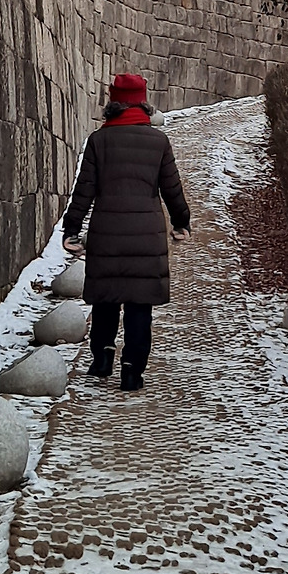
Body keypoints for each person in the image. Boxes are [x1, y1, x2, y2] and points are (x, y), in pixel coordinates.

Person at [60, 71, 190, 392]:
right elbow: (172, 189)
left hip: (107, 232)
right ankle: (132, 371)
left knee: (106, 296)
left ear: (112, 103)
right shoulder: (158, 142)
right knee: (139, 304)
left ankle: (102, 358)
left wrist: (72, 229)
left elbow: (84, 191)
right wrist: (181, 223)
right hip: (146, 234)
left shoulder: (99, 141)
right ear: (143, 103)